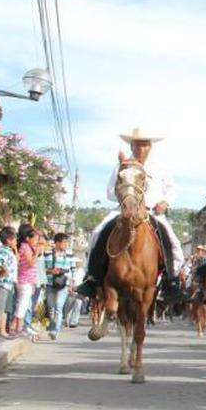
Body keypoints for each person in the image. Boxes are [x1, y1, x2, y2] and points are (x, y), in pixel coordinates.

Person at [77, 128, 184, 299]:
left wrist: (165, 202)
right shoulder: (123, 165)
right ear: (132, 146)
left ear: (150, 147)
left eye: (145, 145)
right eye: (138, 144)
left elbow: (170, 190)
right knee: (98, 232)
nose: (142, 149)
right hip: (124, 210)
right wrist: (125, 199)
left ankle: (172, 281)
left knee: (174, 243)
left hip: (152, 212)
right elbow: (110, 191)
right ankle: (92, 277)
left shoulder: (161, 167)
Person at [44, 232, 74, 341]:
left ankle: (56, 330)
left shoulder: (69, 254)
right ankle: (52, 327)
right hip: (50, 283)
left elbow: (72, 270)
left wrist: (71, 284)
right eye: (64, 242)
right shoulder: (47, 253)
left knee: (58, 306)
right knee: (51, 308)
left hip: (63, 285)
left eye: (67, 243)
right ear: (57, 243)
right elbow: (42, 269)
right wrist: (51, 271)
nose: (66, 245)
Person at [12, 225, 40, 336]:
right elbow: (31, 263)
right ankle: (18, 328)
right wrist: (37, 253)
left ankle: (14, 326)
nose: (37, 241)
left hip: (26, 280)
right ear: (28, 238)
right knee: (22, 305)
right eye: (35, 239)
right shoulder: (25, 247)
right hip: (25, 281)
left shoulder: (25, 247)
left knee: (22, 304)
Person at [0, 227, 18, 341]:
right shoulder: (4, 250)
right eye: (14, 239)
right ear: (8, 240)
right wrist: (4, 270)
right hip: (1, 284)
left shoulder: (8, 250)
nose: (16, 241)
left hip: (6, 285)